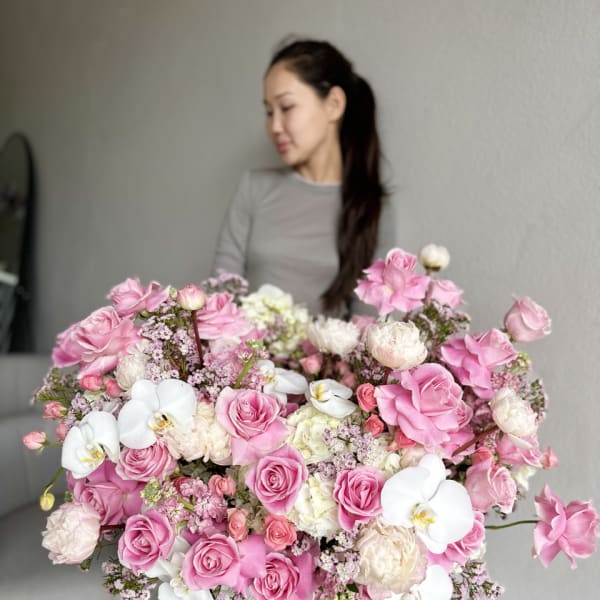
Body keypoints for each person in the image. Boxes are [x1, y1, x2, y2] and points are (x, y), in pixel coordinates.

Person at [212, 38, 395, 317]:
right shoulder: (253, 188)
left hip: (329, 347)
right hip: (247, 345)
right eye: (269, 112)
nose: (274, 126)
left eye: (286, 107)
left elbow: (367, 322)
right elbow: (219, 299)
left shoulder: (370, 206)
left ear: (333, 104)